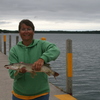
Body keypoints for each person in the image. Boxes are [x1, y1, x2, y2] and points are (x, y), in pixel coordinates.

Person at [8, 19, 60, 100]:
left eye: (29, 29)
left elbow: (55, 50)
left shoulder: (41, 44)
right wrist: (20, 72)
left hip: (41, 94)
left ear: (33, 31)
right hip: (19, 95)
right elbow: (12, 74)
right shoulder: (14, 50)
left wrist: (42, 59)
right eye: (23, 29)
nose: (26, 31)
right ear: (19, 32)